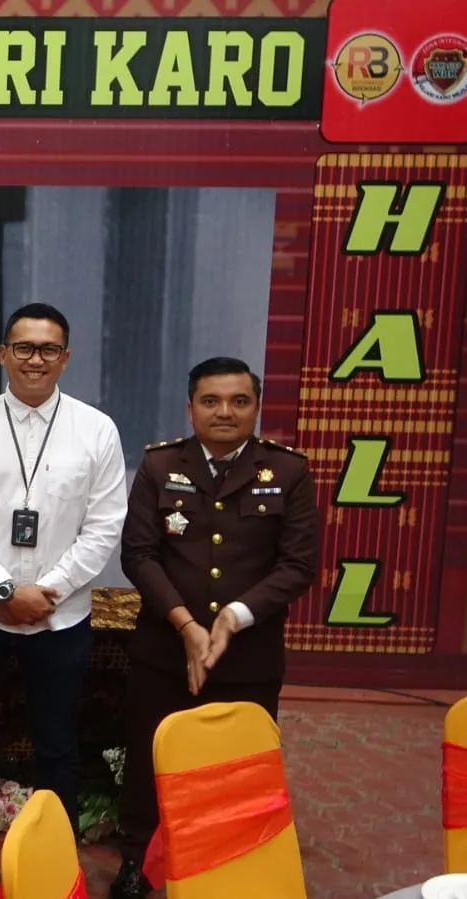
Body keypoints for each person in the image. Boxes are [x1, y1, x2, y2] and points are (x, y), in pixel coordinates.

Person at [0, 303, 127, 899]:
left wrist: (47, 591)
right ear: (3, 354)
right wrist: (5, 589)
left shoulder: (97, 430)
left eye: (48, 349)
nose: (36, 359)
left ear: (66, 357)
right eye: (24, 347)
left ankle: (55, 855)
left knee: (58, 740)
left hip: (59, 615)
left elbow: (103, 528)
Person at [109, 357, 319, 899]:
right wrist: (185, 625)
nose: (224, 412)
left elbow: (298, 565)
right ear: (191, 408)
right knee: (149, 758)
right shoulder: (160, 465)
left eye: (239, 401)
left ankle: (232, 865)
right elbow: (139, 554)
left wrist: (233, 617)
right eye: (211, 401)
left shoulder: (288, 471)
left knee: (238, 766)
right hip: (164, 649)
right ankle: (137, 860)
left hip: (249, 655)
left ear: (256, 407)